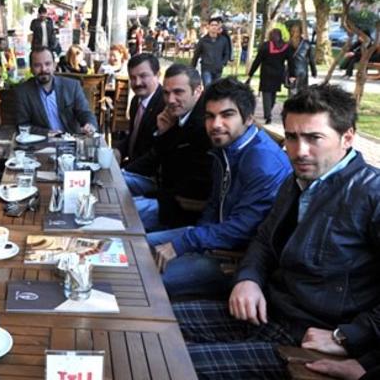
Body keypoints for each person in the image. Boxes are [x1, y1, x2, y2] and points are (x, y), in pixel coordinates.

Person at [174, 84, 380, 378]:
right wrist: (248, 279)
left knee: (166, 364)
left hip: (307, 340)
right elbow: (263, 242)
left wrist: (349, 337)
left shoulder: (371, 194)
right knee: (151, 322)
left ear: (347, 137)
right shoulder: (295, 182)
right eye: (292, 137)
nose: (300, 151)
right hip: (266, 311)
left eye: (314, 138)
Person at [147, 77, 292, 297]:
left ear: (249, 118)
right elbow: (214, 205)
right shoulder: (226, 147)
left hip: (236, 260)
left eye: (227, 115)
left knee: (143, 278)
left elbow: (243, 229)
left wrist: (186, 244)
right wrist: (195, 243)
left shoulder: (263, 161)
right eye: (210, 116)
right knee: (134, 246)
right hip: (211, 240)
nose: (215, 124)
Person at [131, 64, 212, 231]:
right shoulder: (176, 115)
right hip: (167, 193)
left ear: (198, 90)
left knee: (120, 213)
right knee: (118, 185)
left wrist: (166, 135)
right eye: (166, 93)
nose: (170, 100)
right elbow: (157, 160)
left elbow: (184, 184)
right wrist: (163, 134)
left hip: (182, 212)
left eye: (178, 92)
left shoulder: (203, 124)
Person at [14, 46, 98, 135]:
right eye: (37, 65)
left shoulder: (72, 86)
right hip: (42, 141)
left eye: (47, 64)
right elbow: (22, 126)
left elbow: (84, 112)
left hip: (71, 139)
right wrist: (47, 133)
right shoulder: (23, 92)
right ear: (31, 69)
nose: (43, 69)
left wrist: (89, 124)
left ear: (54, 65)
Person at [117, 53, 165, 196]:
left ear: (157, 75)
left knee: (109, 183)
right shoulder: (136, 101)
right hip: (133, 169)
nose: (137, 82)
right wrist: (118, 151)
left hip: (152, 178)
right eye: (132, 77)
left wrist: (124, 170)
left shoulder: (165, 104)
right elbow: (134, 136)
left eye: (143, 76)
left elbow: (156, 153)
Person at [247, 28, 290, 124]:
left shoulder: (265, 46)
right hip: (278, 73)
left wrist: (251, 74)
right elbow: (290, 60)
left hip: (266, 74)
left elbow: (257, 61)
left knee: (266, 94)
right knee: (273, 94)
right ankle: (269, 110)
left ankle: (268, 115)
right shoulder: (284, 47)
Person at [191, 17, 231, 86]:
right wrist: (192, 68)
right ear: (208, 27)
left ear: (218, 27)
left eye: (216, 25)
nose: (214, 27)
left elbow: (226, 53)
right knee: (208, 87)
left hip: (218, 69)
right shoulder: (203, 40)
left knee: (216, 88)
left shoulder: (223, 40)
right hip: (206, 68)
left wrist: (222, 63)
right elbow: (196, 54)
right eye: (212, 25)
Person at [287, 22, 317, 95]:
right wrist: (314, 71)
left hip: (292, 71)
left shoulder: (287, 44)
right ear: (301, 32)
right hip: (303, 72)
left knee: (292, 92)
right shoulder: (306, 44)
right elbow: (311, 59)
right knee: (303, 93)